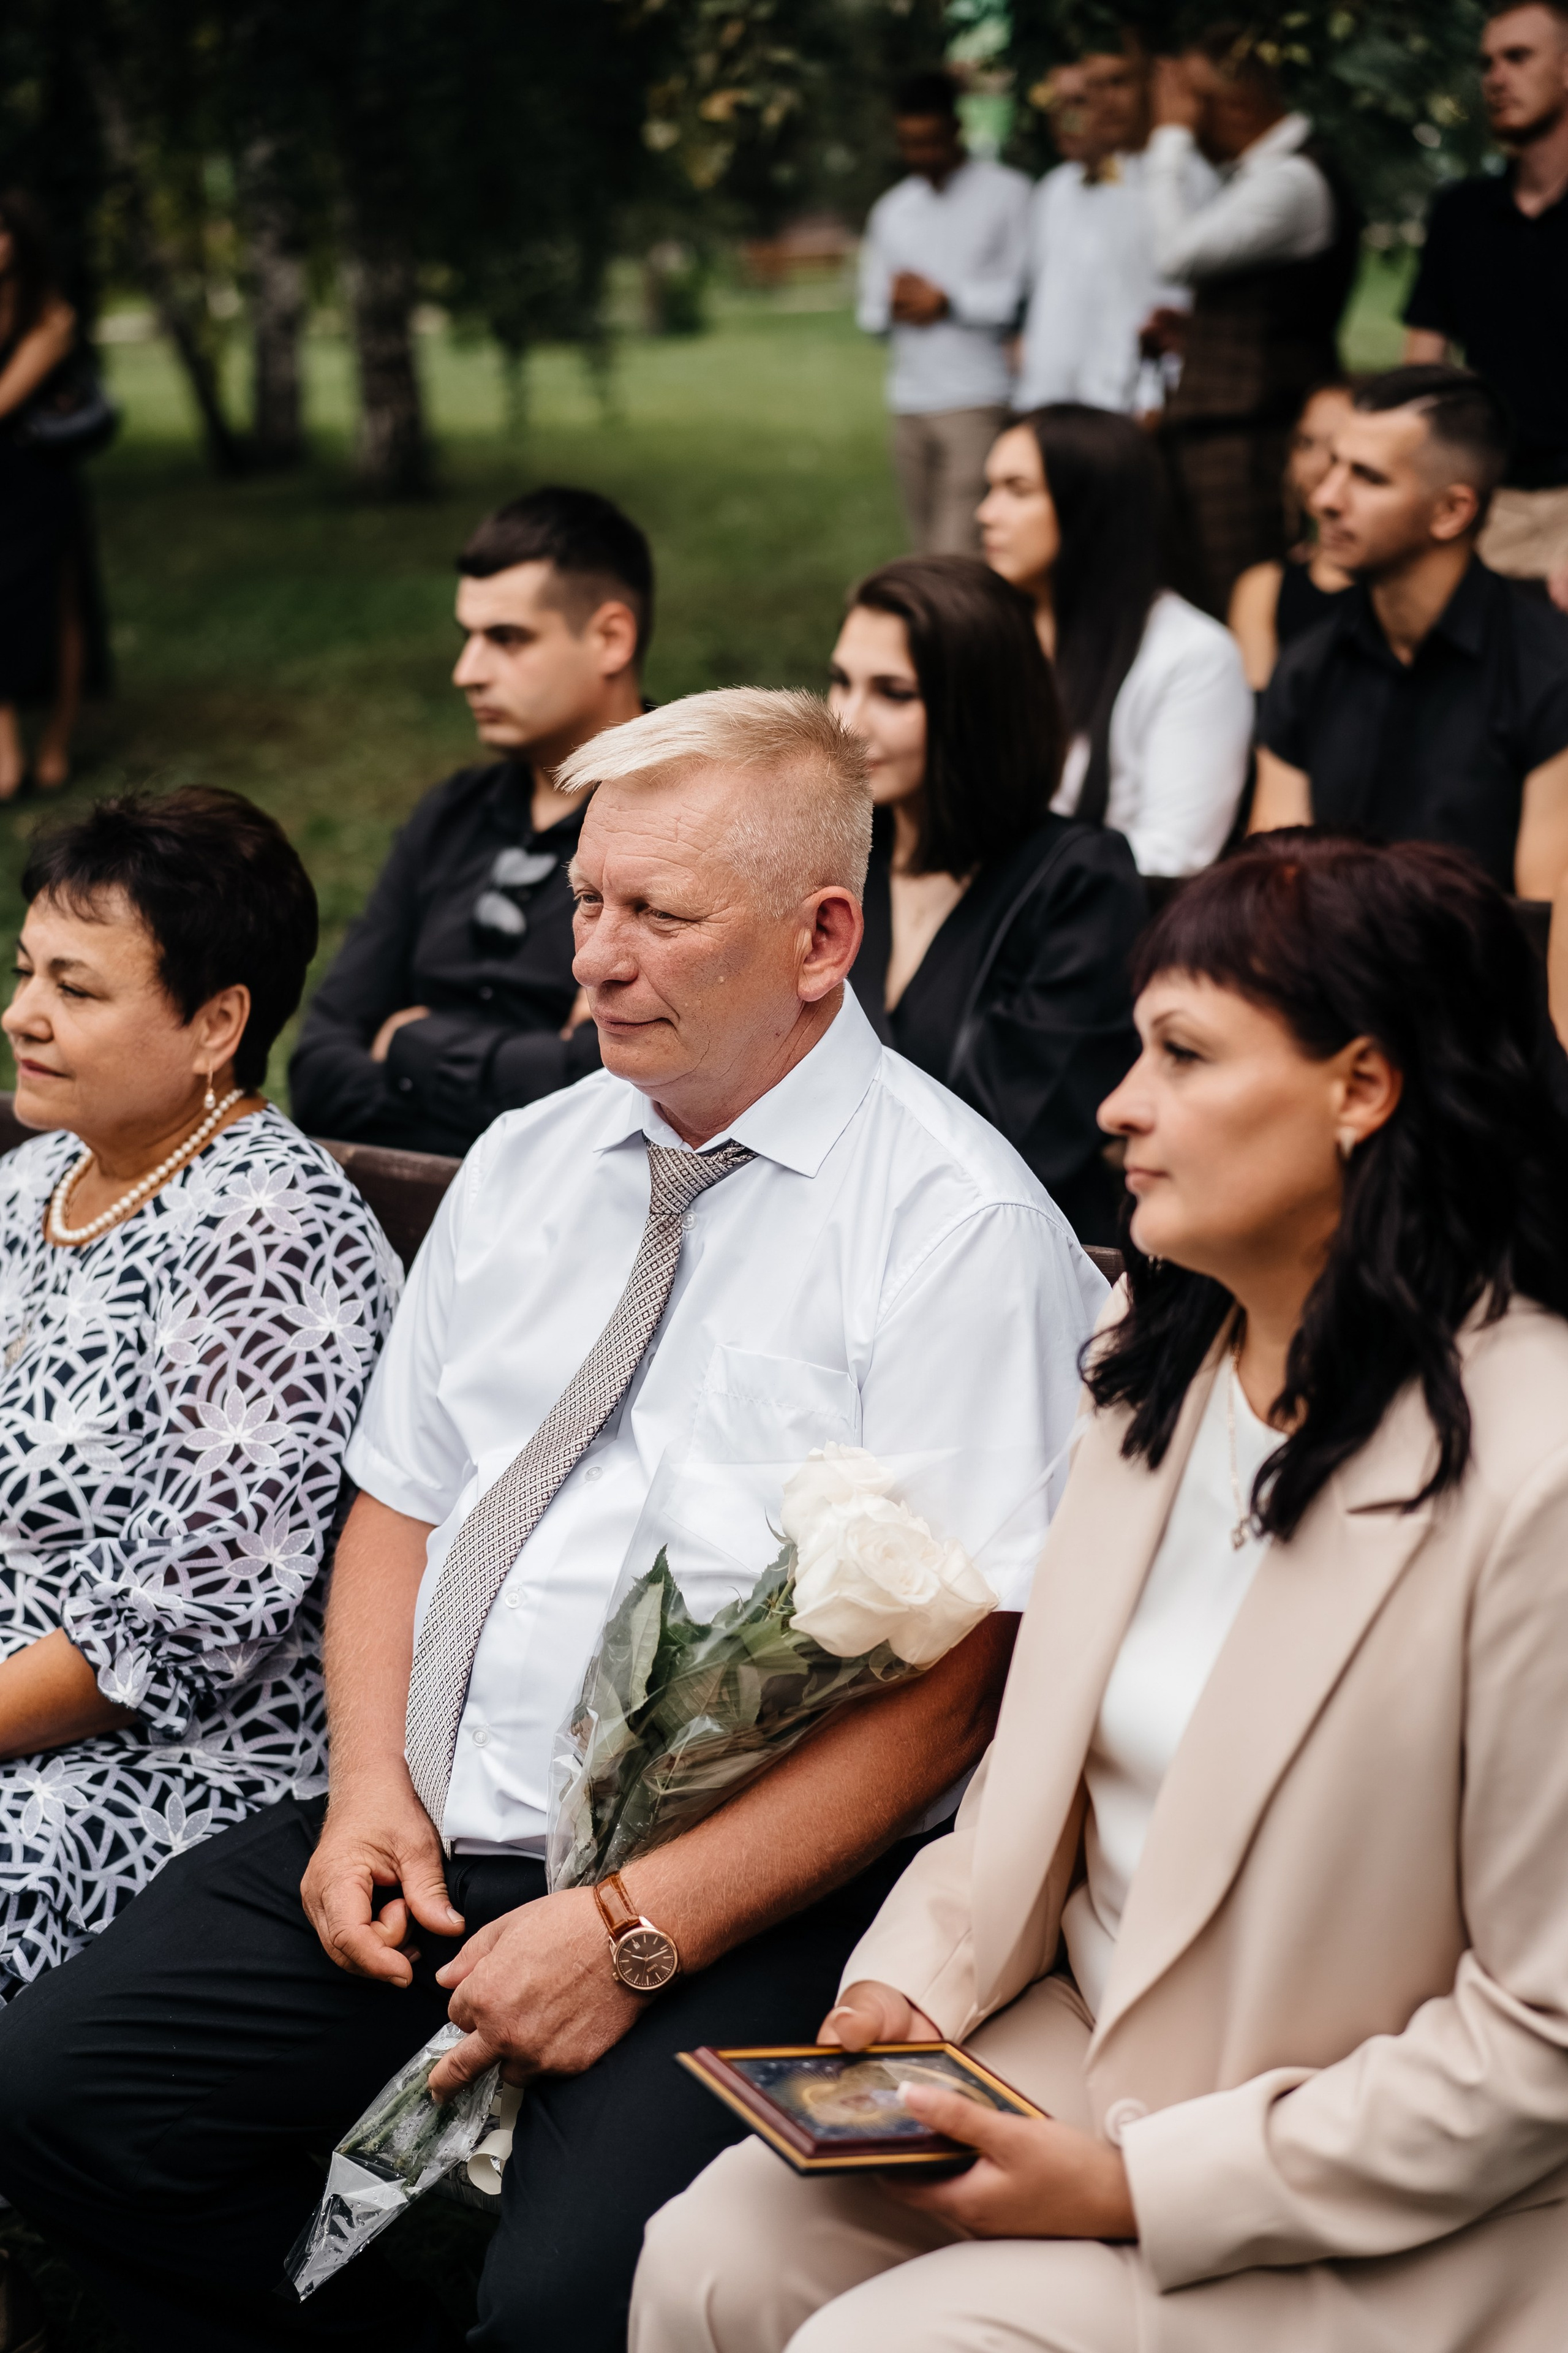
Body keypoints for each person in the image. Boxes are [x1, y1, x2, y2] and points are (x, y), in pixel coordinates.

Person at [0, 690, 1105, 2353]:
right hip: (432, 1834)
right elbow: (398, 1498)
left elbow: (963, 1682)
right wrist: (370, 1789)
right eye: (587, 899)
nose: (589, 957)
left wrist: (633, 1934)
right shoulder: (531, 1159)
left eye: (656, 915)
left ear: (822, 937)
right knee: (55, 2092)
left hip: (743, 1889)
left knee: (576, 2296)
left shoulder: (952, 1230)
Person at [632, 826, 1568, 2353]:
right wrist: (909, 1988)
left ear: (1362, 1084)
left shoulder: (1534, 1466)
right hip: (1082, 2041)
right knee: (708, 2258)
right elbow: (1036, 1773)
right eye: (1132, 1049)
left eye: (1183, 1054)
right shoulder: (1161, 1355)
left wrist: (1136, 2181)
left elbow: (1544, 2037)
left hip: (1375, 2174)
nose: (1115, 1106)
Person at [0, 784, 401, 2005]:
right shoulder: (40, 1179)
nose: (22, 1015)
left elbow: (183, 1630)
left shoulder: (272, 1242)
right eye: (27, 972)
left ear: (215, 1022)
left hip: (157, 1767)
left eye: (77, 989)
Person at [287, 485, 650, 1155]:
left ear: (610, 638)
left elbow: (624, 1091)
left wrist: (408, 1046)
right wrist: (534, 1066)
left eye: (506, 639)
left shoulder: (680, 826)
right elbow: (319, 1067)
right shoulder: (449, 817)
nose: (467, 672)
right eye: (468, 637)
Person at [831, 554, 1144, 1243]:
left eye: (893, 693)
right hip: (819, 1235)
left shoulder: (1078, 883)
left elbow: (1017, 1135)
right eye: (841, 682)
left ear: (976, 709)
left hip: (996, 1255)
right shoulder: (840, 861)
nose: (848, 723)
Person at [1253, 366, 1568, 899]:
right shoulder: (1309, 666)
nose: (1326, 498)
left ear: (1451, 511)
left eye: (1368, 478)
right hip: (1323, 969)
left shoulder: (1549, 673)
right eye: (1333, 467)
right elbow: (1271, 888)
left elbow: (1544, 919)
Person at [979, 404, 1253, 878]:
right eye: (990, 488)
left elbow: (1174, 853)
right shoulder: (988, 631)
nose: (986, 514)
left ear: (1088, 505)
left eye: (1017, 491)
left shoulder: (1191, 655)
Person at [1146, 27, 1361, 618]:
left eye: (1189, 100)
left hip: (1253, 444)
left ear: (1235, 102)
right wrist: (1202, 335)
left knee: (1246, 615)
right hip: (1227, 434)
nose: (1178, 116)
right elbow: (1273, 307)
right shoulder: (1266, 176)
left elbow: (1175, 255)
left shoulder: (1292, 180)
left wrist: (1167, 142)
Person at [1404, 4, 1568, 608]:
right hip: (1483, 498)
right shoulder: (1461, 212)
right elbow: (1422, 369)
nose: (1495, 78)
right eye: (1486, 63)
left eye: (1518, 57)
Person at [858, 70, 1030, 555]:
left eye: (932, 141)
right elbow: (870, 315)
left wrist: (949, 301)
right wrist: (896, 305)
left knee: (961, 552)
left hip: (978, 398)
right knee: (924, 551)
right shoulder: (892, 210)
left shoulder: (1009, 194)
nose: (923, 156)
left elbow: (1022, 297)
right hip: (909, 401)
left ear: (956, 129)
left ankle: (972, 633)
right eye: (911, 144)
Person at [1016, 37, 1215, 420]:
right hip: (1052, 404)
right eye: (1091, 89)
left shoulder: (1185, 178)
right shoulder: (1056, 189)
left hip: (1140, 408)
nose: (1101, 102)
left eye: (1118, 83)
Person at [0, 190, 110, 801]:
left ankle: (56, 742)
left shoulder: (49, 318)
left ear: (20, 239)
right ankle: (7, 746)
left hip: (35, 484)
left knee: (62, 606)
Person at [1227, 379, 1357, 690]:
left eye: (1339, 446)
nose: (1317, 465)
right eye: (1305, 443)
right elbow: (1263, 717)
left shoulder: (1406, 587)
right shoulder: (1265, 587)